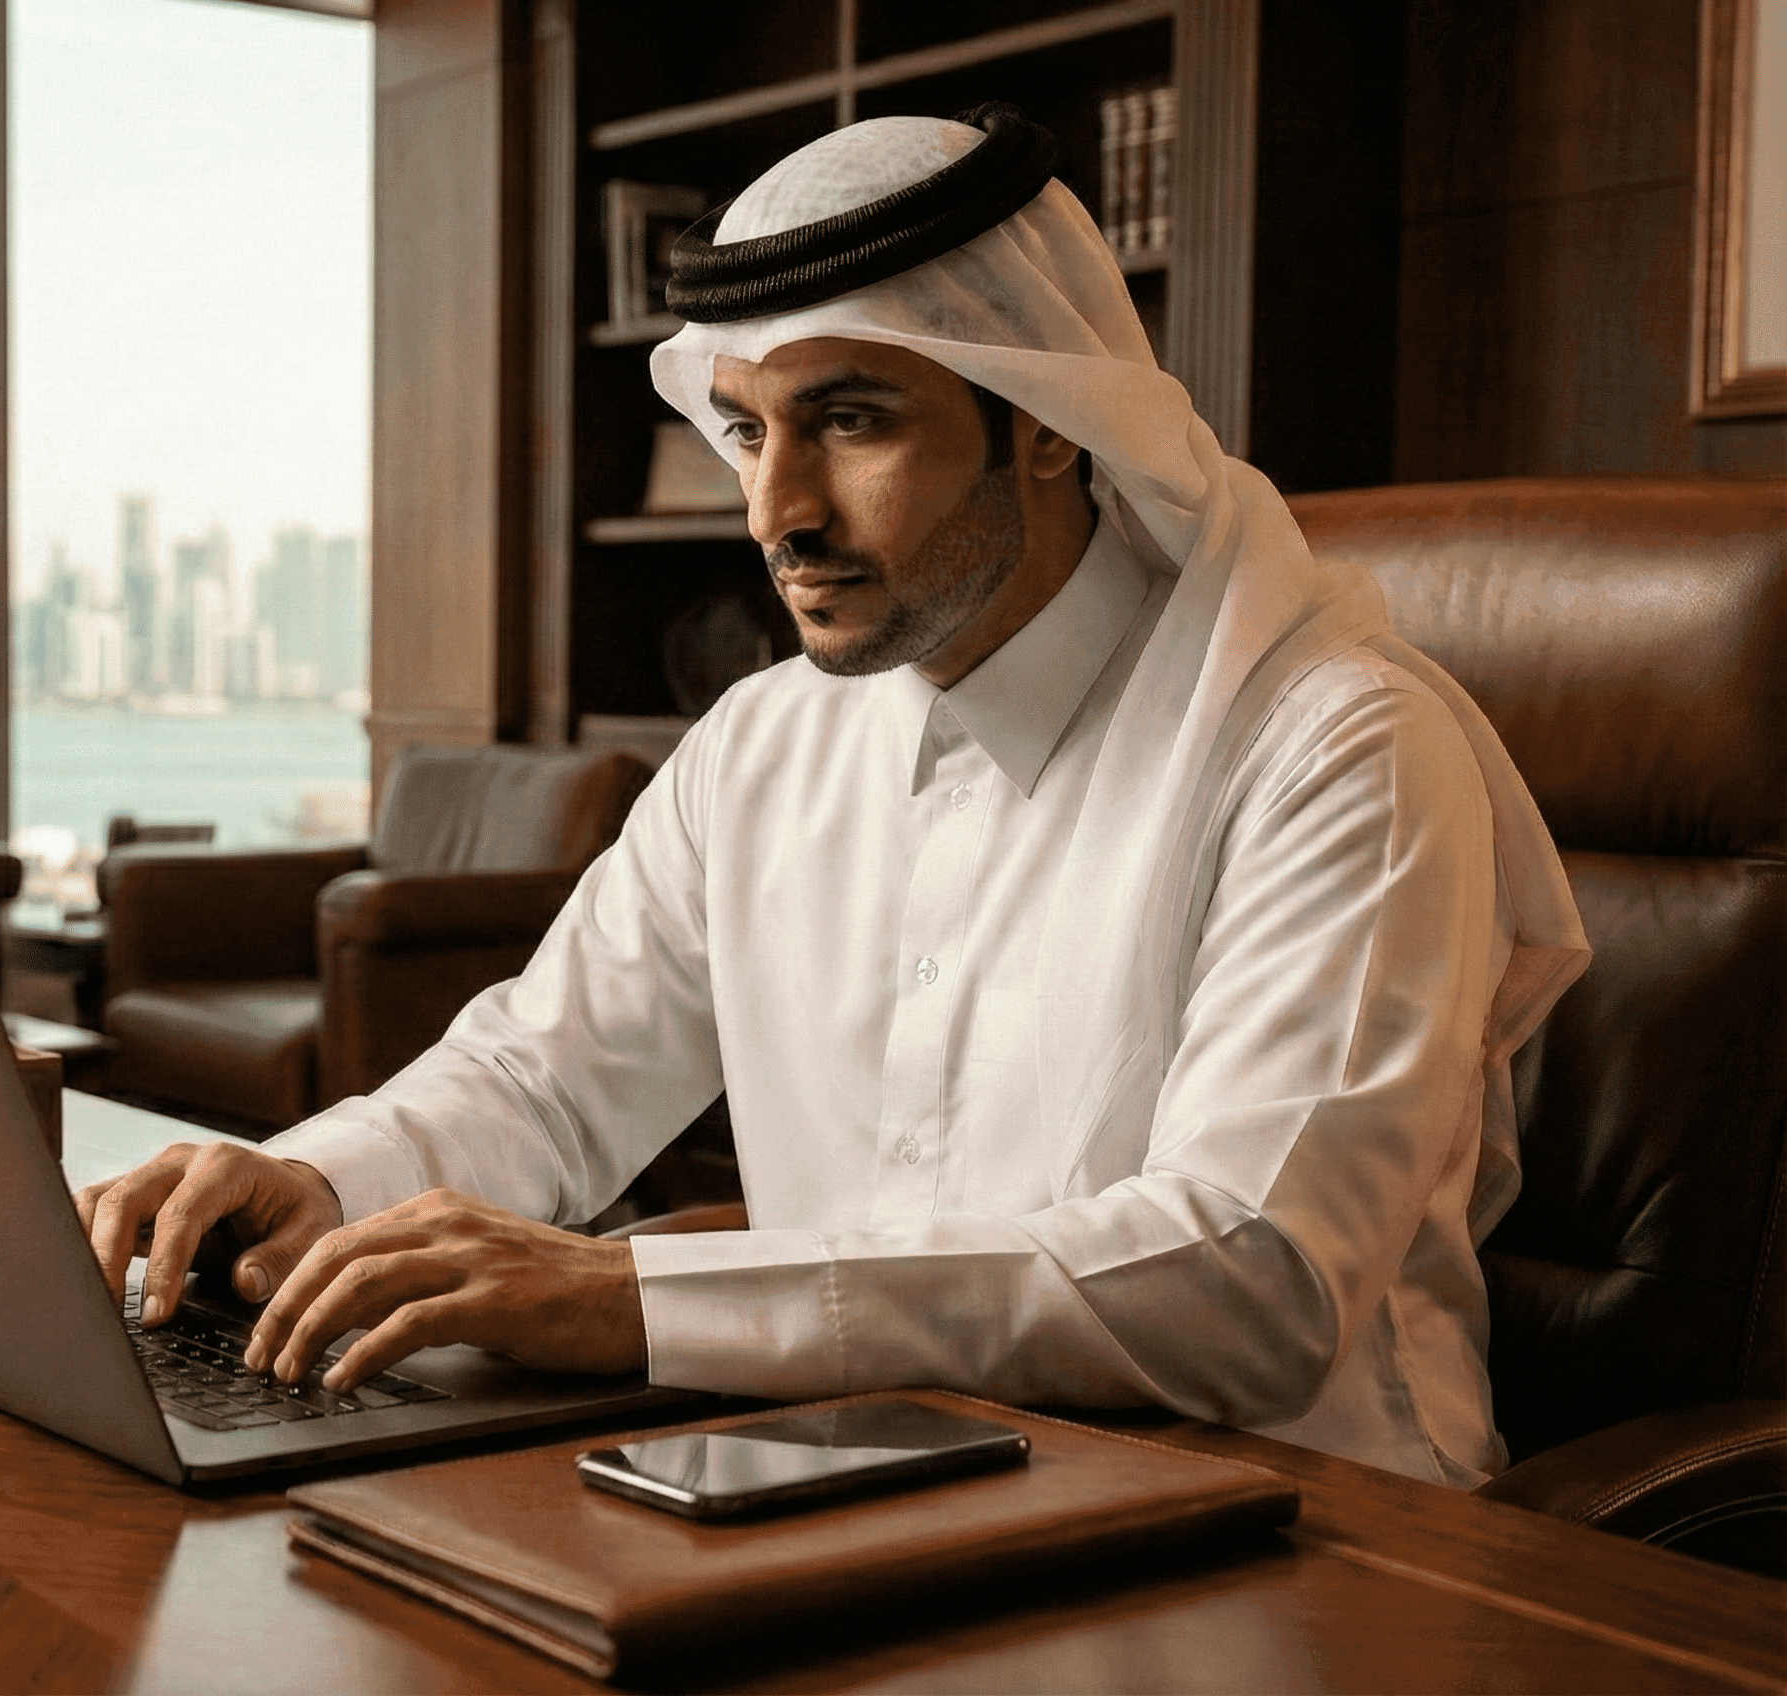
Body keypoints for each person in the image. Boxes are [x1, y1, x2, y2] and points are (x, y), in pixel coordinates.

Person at [79, 108, 1589, 1485]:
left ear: (1051, 420)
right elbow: (547, 1077)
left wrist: (631, 1297)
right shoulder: (759, 749)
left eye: (852, 421)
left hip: (1314, 1534)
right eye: (748, 429)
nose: (775, 512)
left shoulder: (1337, 750)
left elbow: (1248, 1279)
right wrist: (313, 1181)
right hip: (874, 1485)